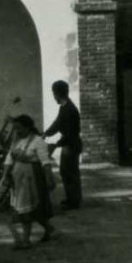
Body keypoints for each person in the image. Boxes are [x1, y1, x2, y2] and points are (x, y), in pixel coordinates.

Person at [5, 114, 57, 249]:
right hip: (18, 179)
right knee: (28, 208)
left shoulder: (38, 141)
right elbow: (9, 159)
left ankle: (25, 240)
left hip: (32, 178)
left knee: (28, 208)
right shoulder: (16, 140)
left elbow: (45, 162)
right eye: (15, 129)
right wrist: (5, 175)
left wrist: (49, 178)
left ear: (28, 127)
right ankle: (48, 228)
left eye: (20, 129)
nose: (17, 132)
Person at [44, 80, 83, 210]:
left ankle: (74, 201)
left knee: (70, 172)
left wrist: (56, 144)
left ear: (58, 93)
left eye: (54, 94)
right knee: (66, 171)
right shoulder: (64, 107)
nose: (54, 97)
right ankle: (71, 199)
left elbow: (70, 133)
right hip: (68, 144)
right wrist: (46, 133)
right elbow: (57, 123)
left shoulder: (70, 110)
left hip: (71, 144)